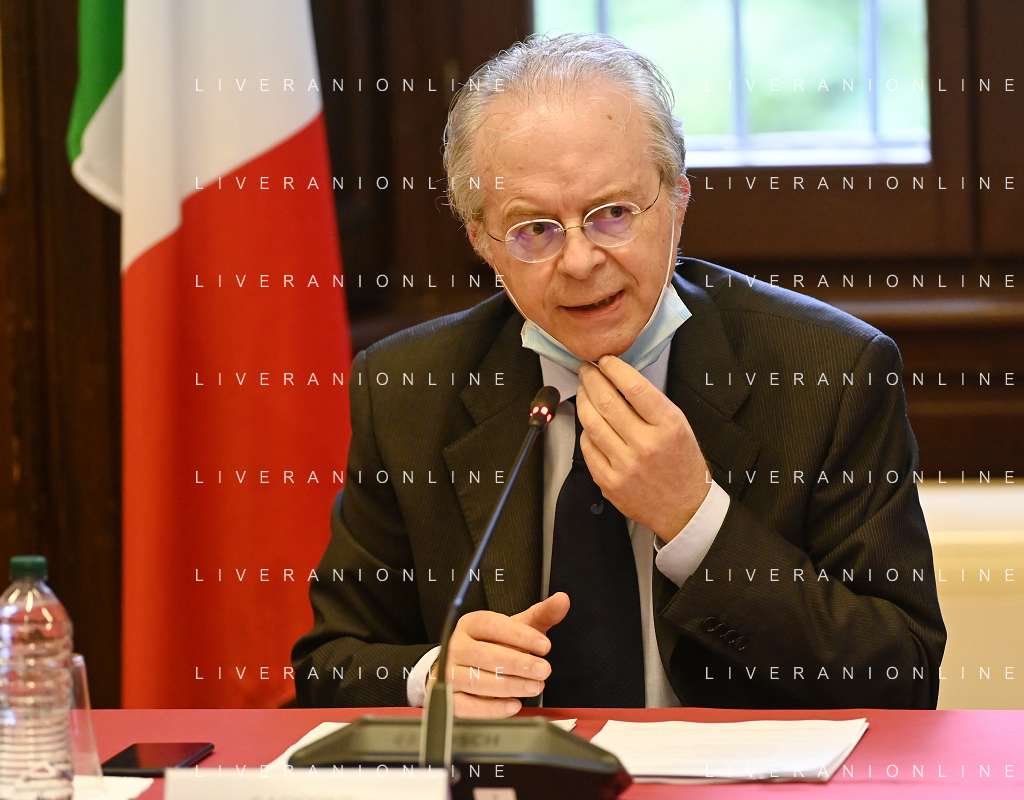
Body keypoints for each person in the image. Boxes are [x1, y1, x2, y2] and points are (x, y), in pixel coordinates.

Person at [292, 33, 945, 714]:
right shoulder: (407, 389)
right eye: (534, 229)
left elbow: (901, 677)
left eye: (611, 214)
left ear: (677, 202)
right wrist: (433, 675)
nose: (580, 262)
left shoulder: (828, 373)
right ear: (482, 241)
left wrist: (695, 520)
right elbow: (327, 667)